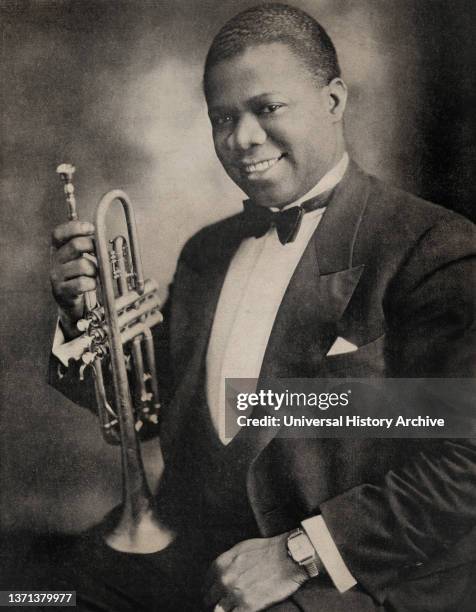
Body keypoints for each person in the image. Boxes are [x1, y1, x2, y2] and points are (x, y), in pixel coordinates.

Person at [48, 4, 476, 611]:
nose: (242, 138)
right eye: (223, 117)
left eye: (267, 108)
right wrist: (79, 317)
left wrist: (298, 552)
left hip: (353, 574)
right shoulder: (206, 253)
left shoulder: (431, 248)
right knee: (54, 588)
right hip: (202, 546)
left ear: (333, 101)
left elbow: (466, 463)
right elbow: (144, 410)